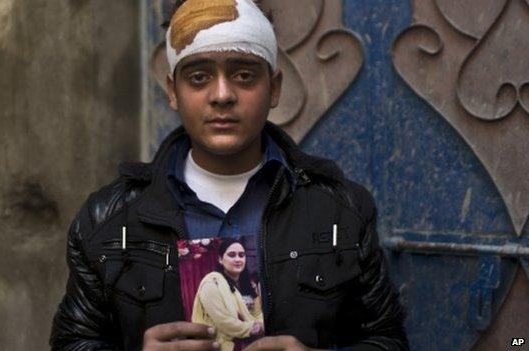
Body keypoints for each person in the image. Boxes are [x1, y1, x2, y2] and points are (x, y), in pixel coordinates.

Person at [50, 0, 408, 350]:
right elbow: (72, 342)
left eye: (244, 75)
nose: (222, 95)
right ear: (173, 91)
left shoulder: (341, 210)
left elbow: (388, 339)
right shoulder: (108, 220)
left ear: (275, 88)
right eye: (199, 77)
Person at [192, 238, 263, 351]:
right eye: (232, 255)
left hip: (254, 340)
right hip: (224, 344)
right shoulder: (211, 283)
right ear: (220, 259)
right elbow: (223, 321)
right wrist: (253, 328)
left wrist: (260, 324)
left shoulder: (249, 283)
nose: (238, 259)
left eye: (241, 255)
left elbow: (258, 312)